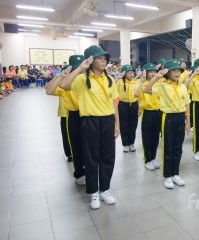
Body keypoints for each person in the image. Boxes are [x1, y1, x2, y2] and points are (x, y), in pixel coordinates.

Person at [60, 45, 120, 209]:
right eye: (100, 58)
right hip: (90, 121)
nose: (104, 60)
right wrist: (81, 67)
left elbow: (114, 103)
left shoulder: (110, 79)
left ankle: (105, 190)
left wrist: (117, 125)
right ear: (91, 60)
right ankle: (93, 192)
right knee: (92, 158)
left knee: (108, 157)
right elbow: (64, 85)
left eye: (105, 58)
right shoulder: (80, 79)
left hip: (107, 121)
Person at [144, 59, 190, 189]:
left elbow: (187, 102)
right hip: (168, 117)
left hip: (180, 117)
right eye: (174, 70)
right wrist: (157, 77)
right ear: (167, 73)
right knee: (168, 147)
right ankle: (167, 176)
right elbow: (147, 90)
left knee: (178, 148)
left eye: (178, 71)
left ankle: (175, 174)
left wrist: (188, 121)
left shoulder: (182, 86)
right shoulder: (162, 85)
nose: (177, 73)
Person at [46, 56, 86, 180]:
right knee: (76, 146)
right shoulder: (67, 84)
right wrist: (60, 76)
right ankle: (79, 173)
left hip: (90, 115)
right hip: (74, 115)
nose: (80, 71)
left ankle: (91, 171)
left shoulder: (90, 80)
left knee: (90, 146)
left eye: (81, 68)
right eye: (76, 68)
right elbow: (49, 90)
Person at [134, 63, 161, 171]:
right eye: (150, 71)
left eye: (154, 71)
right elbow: (136, 94)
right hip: (147, 113)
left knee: (155, 138)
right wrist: (141, 80)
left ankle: (153, 158)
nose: (153, 73)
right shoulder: (142, 84)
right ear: (145, 73)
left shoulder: (158, 83)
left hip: (158, 112)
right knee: (147, 137)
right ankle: (147, 160)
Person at [116, 65, 140, 153]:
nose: (131, 74)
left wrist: (139, 108)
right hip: (123, 105)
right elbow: (112, 88)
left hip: (133, 105)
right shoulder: (119, 82)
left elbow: (138, 96)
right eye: (128, 73)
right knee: (124, 125)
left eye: (132, 72)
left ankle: (131, 143)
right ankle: (125, 144)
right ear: (124, 74)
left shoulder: (136, 83)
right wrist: (118, 78)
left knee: (133, 125)